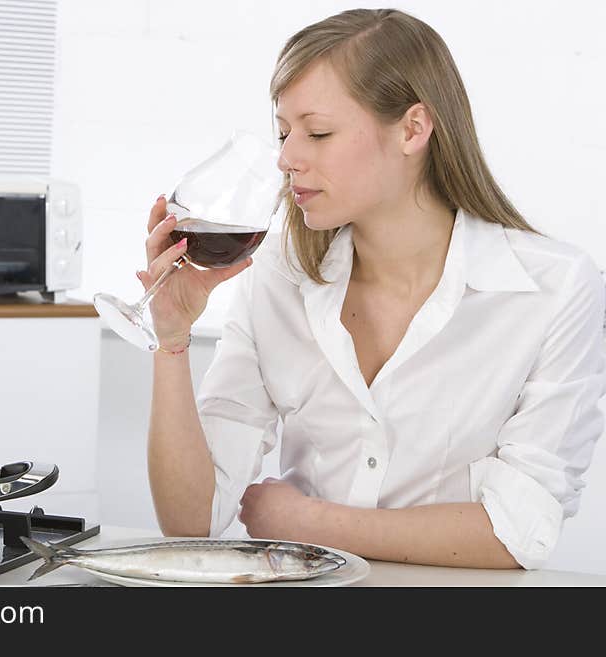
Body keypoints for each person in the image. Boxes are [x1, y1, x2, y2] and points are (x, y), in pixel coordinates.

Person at [138, 8, 606, 570]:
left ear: (413, 128)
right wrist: (172, 339)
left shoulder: (553, 288)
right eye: (284, 133)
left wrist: (306, 522)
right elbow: (192, 521)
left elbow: (518, 532)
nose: (287, 158)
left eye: (318, 132)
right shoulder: (278, 272)